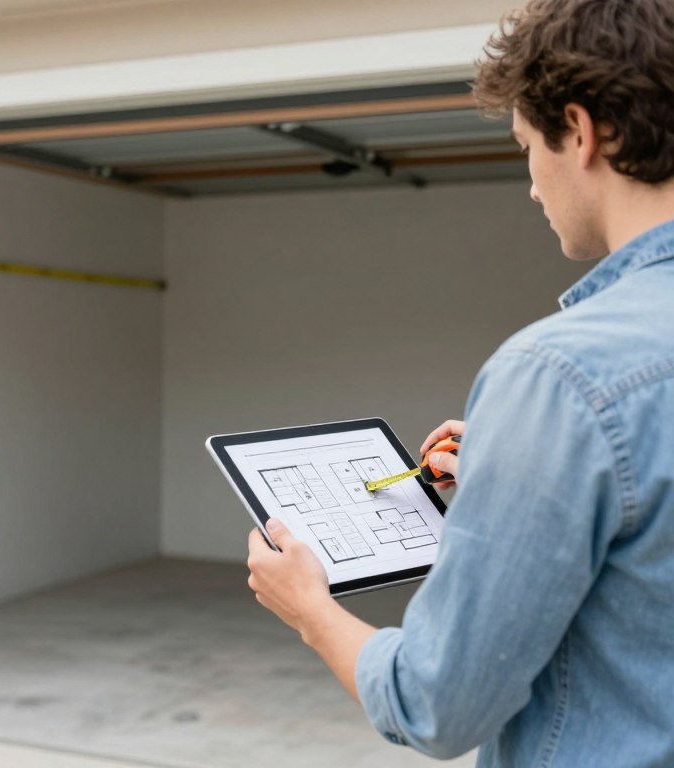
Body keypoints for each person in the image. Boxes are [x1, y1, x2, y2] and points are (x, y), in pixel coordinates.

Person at [245, 1, 674, 764]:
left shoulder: (561, 378)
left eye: (525, 147)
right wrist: (533, 468)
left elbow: (436, 703)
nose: (533, 187)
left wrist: (309, 608)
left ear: (579, 132)